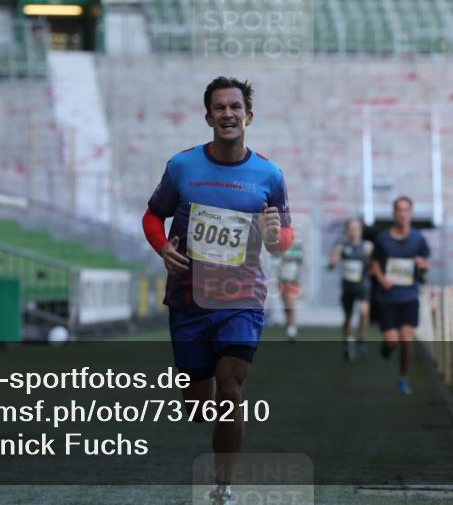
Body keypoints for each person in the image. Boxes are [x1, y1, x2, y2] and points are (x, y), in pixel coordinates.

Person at [142, 77, 292, 505]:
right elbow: (153, 217)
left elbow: (283, 239)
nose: (228, 114)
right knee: (197, 404)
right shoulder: (182, 167)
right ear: (208, 116)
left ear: (249, 116)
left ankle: (223, 484)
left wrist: (275, 233)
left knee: (230, 387)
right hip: (188, 298)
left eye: (235, 107)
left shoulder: (269, 175)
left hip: (241, 298)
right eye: (219, 108)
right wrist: (162, 247)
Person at [369, 196, 430, 395]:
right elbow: (375, 262)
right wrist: (381, 278)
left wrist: (423, 265)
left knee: (406, 339)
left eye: (406, 210)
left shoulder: (419, 240)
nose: (402, 214)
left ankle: (403, 377)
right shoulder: (383, 238)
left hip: (409, 296)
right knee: (392, 341)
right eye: (399, 210)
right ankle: (387, 348)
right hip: (387, 297)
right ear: (394, 213)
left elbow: (426, 264)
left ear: (411, 213)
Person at [328, 218, 373, 361]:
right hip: (348, 287)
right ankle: (348, 343)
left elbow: (375, 264)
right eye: (351, 229)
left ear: (361, 231)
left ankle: (361, 337)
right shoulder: (341, 246)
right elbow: (331, 264)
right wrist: (333, 263)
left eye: (356, 229)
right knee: (348, 317)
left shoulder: (367, 246)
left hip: (363, 285)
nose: (353, 232)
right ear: (347, 231)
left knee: (364, 311)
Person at [276, 237, 304, 341]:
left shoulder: (296, 247)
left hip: (293, 281)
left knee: (291, 304)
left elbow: (301, 259)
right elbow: (275, 259)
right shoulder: (278, 247)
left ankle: (292, 329)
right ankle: (289, 325)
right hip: (282, 281)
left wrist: (290, 256)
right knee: (286, 306)